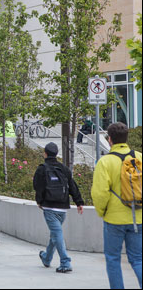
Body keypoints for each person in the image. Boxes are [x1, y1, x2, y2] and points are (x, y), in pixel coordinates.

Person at [91, 122, 142, 289]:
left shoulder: (105, 162)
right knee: (138, 259)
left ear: (110, 139)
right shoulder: (139, 157)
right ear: (126, 137)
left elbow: (100, 193)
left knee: (113, 259)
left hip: (114, 220)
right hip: (139, 218)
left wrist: (103, 212)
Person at [33, 142, 84, 273]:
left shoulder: (42, 169)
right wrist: (79, 202)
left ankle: (65, 262)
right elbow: (72, 186)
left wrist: (39, 201)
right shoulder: (64, 168)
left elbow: (37, 187)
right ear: (56, 154)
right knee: (55, 235)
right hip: (63, 208)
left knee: (57, 234)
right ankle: (46, 258)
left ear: (45, 153)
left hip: (49, 207)